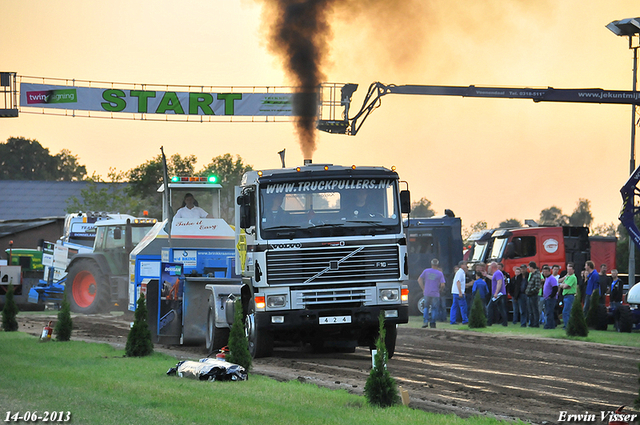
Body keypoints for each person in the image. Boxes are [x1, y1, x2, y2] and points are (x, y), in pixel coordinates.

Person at [418, 259, 446, 328]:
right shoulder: (440, 273)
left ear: (431, 264)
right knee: (434, 308)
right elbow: (443, 285)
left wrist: (423, 288)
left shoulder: (426, 271)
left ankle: (425, 321)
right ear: (437, 264)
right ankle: (433, 323)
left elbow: (419, 279)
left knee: (426, 307)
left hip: (427, 292)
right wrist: (440, 290)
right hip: (435, 293)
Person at [486, 261, 508, 326]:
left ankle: (489, 322)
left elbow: (499, 282)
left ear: (492, 267)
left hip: (498, 294)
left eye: (489, 267)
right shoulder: (497, 273)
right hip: (500, 293)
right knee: (501, 308)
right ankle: (505, 323)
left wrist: (496, 293)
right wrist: (486, 275)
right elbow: (493, 278)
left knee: (489, 307)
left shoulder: (497, 273)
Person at [558, 263, 577, 329]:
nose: (568, 271)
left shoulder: (572, 277)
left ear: (573, 270)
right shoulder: (568, 277)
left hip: (569, 296)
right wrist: (563, 285)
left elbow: (565, 286)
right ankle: (567, 325)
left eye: (570, 269)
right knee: (566, 311)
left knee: (566, 312)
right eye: (567, 269)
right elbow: (560, 283)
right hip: (566, 296)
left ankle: (567, 326)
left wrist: (563, 285)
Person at [450, 261, 469, 325]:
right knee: (463, 306)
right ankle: (465, 320)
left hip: (455, 291)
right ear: (462, 265)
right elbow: (458, 282)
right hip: (458, 292)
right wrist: (460, 292)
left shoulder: (459, 272)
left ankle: (452, 320)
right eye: (465, 264)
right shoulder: (461, 272)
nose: (466, 266)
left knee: (454, 306)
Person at [526, 261, 542, 328]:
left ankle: (536, 324)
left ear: (532, 267)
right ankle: (531, 323)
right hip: (529, 295)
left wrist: (530, 291)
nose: (528, 268)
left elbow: (537, 286)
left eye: (529, 267)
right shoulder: (532, 274)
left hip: (533, 295)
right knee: (530, 310)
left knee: (535, 310)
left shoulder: (537, 275)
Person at [541, 265, 558, 329]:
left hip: (550, 299)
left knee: (549, 312)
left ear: (549, 271)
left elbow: (555, 288)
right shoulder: (547, 278)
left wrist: (551, 296)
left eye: (546, 272)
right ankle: (550, 324)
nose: (544, 273)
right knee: (548, 312)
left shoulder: (552, 279)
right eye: (544, 272)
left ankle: (549, 325)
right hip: (546, 298)